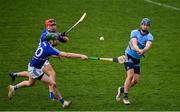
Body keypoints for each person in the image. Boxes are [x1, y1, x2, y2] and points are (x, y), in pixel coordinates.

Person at [8, 33, 88, 108]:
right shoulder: (49, 48)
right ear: (51, 41)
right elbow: (67, 55)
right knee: (52, 83)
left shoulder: (44, 42)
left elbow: (47, 50)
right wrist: (81, 56)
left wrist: (53, 53)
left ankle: (13, 87)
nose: (57, 41)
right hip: (35, 69)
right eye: (56, 40)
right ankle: (63, 103)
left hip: (33, 66)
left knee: (30, 83)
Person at [9, 19, 69, 100]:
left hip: (43, 57)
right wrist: (60, 35)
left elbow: (65, 40)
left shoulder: (54, 33)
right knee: (52, 74)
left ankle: (14, 86)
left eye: (55, 24)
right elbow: (51, 38)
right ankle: (52, 94)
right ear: (47, 26)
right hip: (42, 59)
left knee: (31, 83)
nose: (54, 26)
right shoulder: (45, 34)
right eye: (51, 25)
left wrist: (64, 36)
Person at [115, 18, 154, 105]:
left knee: (135, 80)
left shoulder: (150, 36)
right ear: (140, 25)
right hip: (128, 56)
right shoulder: (134, 32)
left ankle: (122, 89)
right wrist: (138, 50)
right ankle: (125, 97)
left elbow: (148, 46)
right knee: (130, 75)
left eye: (147, 25)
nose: (145, 26)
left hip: (137, 59)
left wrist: (143, 50)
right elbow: (134, 43)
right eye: (143, 24)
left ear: (149, 27)